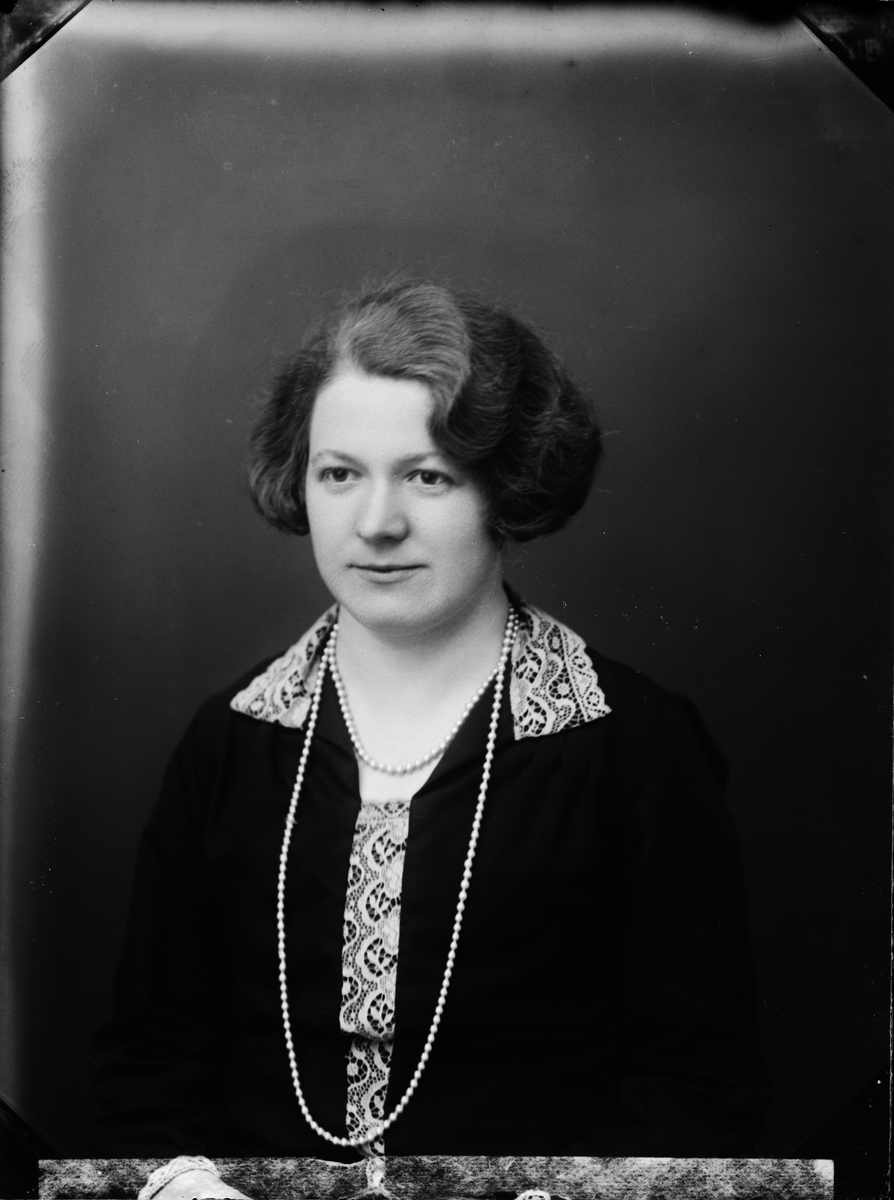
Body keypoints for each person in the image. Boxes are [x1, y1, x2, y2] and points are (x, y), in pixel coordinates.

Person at [93, 278, 768, 1200]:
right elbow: (147, 1063)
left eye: (428, 476)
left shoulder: (633, 746)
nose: (377, 524)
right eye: (340, 474)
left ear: (508, 487)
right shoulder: (232, 740)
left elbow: (699, 1084)